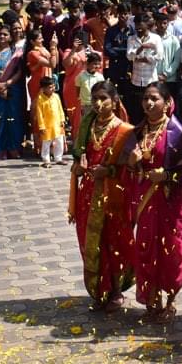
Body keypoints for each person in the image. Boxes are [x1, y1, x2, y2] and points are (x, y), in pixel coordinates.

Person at [123, 82, 182, 325]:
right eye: (145, 99)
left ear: (167, 102)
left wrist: (167, 176)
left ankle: (171, 300)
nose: (149, 103)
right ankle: (153, 301)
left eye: (154, 99)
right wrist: (132, 161)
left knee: (171, 250)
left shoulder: (177, 133)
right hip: (146, 201)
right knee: (146, 250)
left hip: (170, 202)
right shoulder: (138, 131)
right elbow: (127, 168)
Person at [68, 80, 136, 309]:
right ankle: (99, 289)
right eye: (94, 99)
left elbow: (131, 168)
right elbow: (79, 156)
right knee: (91, 241)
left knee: (113, 239)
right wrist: (78, 168)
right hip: (88, 191)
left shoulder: (125, 131)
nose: (98, 104)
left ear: (115, 101)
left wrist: (108, 171)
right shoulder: (87, 125)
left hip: (114, 193)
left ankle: (116, 290)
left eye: (103, 99)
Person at [0, 26, 27, 162]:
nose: (2, 37)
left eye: (5, 35)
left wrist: (6, 84)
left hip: (12, 90)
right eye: (0, 34)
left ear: (10, 37)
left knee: (13, 120)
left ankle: (13, 148)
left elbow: (20, 72)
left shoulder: (17, 53)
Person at [35, 76, 67, 167]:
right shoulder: (40, 99)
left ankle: (58, 158)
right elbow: (39, 114)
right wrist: (41, 126)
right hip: (47, 125)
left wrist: (62, 119)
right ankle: (46, 160)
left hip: (57, 124)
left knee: (59, 141)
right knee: (46, 143)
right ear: (43, 88)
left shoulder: (56, 96)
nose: (52, 89)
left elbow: (60, 108)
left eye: (53, 86)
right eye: (50, 87)